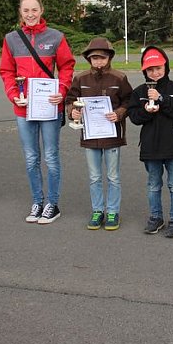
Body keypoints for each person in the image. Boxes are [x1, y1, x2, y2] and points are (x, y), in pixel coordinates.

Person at [0, 0, 75, 225]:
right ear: (20, 13)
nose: (30, 14)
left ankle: (52, 203)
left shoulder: (55, 37)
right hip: (24, 108)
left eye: (34, 10)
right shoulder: (12, 39)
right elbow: (6, 71)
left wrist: (61, 91)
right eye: (26, 11)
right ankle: (37, 201)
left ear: (41, 10)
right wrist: (14, 95)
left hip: (49, 107)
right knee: (31, 157)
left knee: (51, 156)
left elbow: (67, 66)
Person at [66, 37, 132, 231]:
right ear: (89, 59)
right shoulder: (80, 78)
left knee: (113, 177)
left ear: (109, 58)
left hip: (112, 135)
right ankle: (97, 210)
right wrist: (73, 112)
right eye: (94, 58)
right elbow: (70, 100)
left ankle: (112, 211)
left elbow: (129, 101)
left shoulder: (119, 78)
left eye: (102, 58)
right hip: (90, 135)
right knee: (94, 176)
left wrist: (119, 113)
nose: (98, 62)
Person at [127, 46, 173, 238]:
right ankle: (155, 217)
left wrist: (161, 100)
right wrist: (146, 110)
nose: (155, 73)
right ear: (144, 70)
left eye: (158, 68)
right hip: (151, 146)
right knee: (154, 184)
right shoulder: (139, 92)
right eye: (150, 69)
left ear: (166, 67)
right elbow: (134, 117)